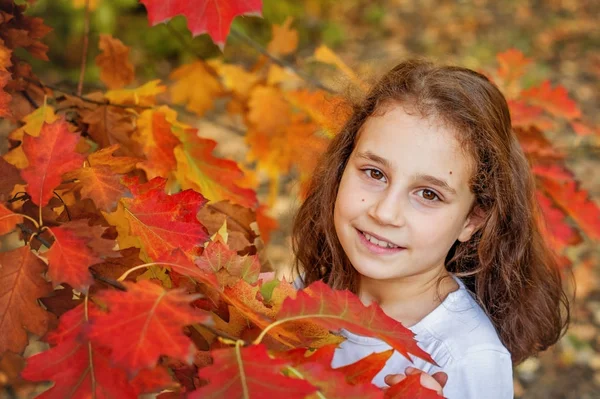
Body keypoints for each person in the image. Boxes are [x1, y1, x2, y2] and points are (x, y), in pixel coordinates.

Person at [290, 59, 570, 398]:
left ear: (472, 219)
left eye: (428, 194)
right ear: (341, 167)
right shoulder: (309, 291)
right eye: (374, 173)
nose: (385, 213)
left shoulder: (465, 361)